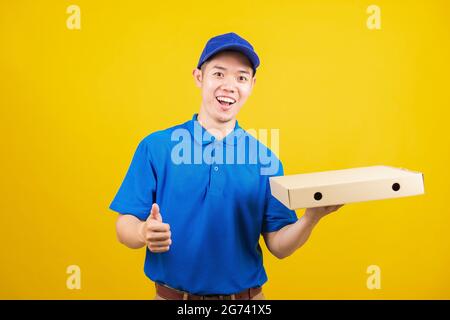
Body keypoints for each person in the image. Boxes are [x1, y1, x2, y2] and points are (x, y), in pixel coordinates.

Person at [109, 32, 344, 300]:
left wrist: (311, 218)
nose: (230, 86)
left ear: (252, 85)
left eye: (241, 77)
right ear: (199, 77)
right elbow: (123, 225)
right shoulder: (156, 147)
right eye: (219, 74)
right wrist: (142, 231)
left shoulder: (264, 160)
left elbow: (279, 245)